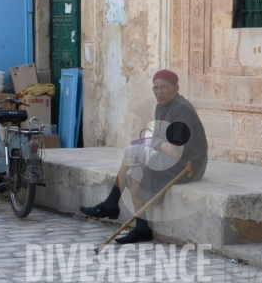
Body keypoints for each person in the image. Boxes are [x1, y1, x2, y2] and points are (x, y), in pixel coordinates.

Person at [80, 69, 208, 243]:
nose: (159, 92)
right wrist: (160, 144)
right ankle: (142, 228)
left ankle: (111, 203)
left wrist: (158, 145)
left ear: (176, 88)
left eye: (164, 87)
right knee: (136, 170)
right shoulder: (161, 106)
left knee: (131, 152)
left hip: (188, 165)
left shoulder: (182, 109)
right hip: (172, 159)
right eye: (155, 87)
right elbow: (156, 138)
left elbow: (176, 150)